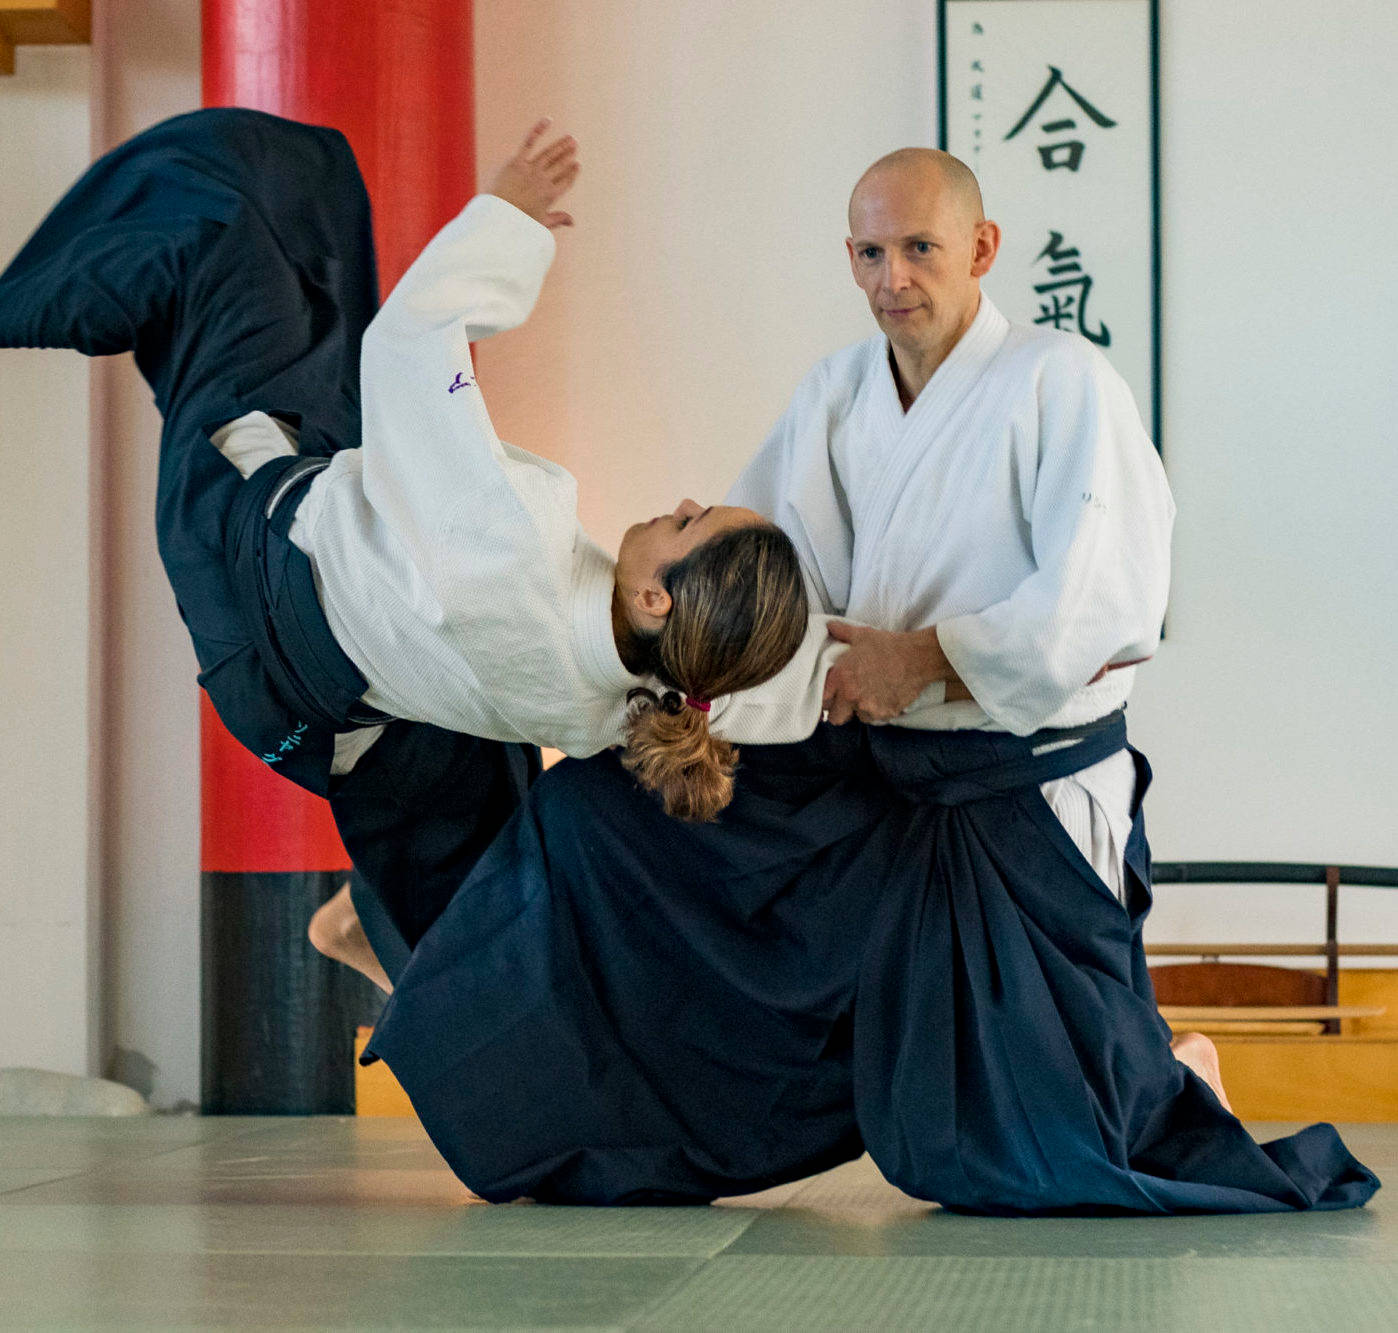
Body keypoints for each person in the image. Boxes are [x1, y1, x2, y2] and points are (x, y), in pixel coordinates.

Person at [354, 147, 1377, 1214]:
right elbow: (762, 584)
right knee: (600, 815)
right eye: (874, 253)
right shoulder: (838, 395)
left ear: (981, 249)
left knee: (1013, 1162)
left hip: (1010, 789)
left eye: (922, 248)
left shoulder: (1062, 381)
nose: (896, 278)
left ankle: (1161, 1077)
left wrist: (925, 655)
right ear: (851, 258)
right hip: (868, 769)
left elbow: (1109, 601)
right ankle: (530, 1078)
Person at [0, 111, 819, 830]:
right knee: (321, 233)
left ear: (655, 597)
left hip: (241, 562)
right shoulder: (640, 704)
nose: (680, 503)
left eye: (691, 520)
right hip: (296, 725)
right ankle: (363, 924)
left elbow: (409, 341)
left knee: (228, 213)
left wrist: (508, 217)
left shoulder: (513, 534)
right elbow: (768, 691)